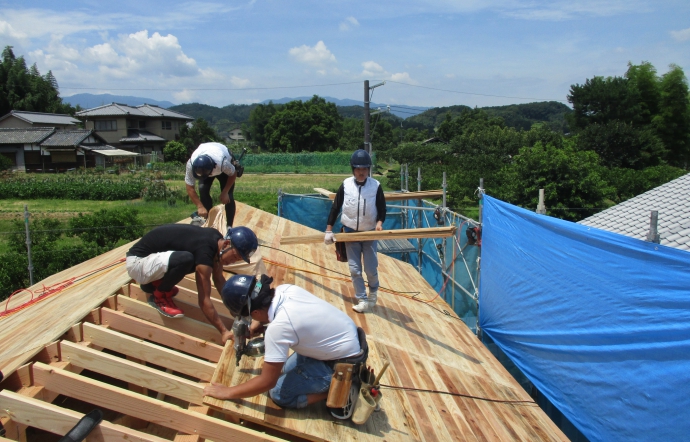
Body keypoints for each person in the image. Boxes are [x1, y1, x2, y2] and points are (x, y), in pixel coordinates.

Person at [204, 274, 365, 410]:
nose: (251, 320)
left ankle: (339, 391)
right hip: (347, 343)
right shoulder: (285, 289)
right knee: (285, 370)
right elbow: (273, 314)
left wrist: (228, 392)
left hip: (343, 365)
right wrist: (256, 326)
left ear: (256, 312)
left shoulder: (279, 328)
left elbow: (267, 382)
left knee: (279, 392)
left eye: (251, 316)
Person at [126, 225, 258, 344]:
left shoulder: (216, 242)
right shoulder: (206, 251)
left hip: (151, 263)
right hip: (138, 263)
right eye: (235, 256)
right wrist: (223, 331)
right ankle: (159, 297)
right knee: (186, 260)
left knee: (188, 260)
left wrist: (237, 310)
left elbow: (219, 281)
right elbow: (204, 300)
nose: (233, 262)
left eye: (238, 260)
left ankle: (153, 285)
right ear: (227, 244)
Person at [324, 149, 386, 313]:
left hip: (369, 233)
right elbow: (336, 207)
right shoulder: (346, 185)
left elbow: (382, 208)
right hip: (350, 232)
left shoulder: (375, 186)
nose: (361, 172)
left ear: (368, 170)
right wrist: (329, 230)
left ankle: (373, 292)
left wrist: (379, 223)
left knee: (371, 268)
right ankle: (362, 299)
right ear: (353, 169)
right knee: (354, 269)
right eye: (358, 169)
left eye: (364, 169)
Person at [185, 141, 239, 227]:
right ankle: (209, 221)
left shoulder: (222, 163)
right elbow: (189, 187)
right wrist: (200, 206)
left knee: (229, 196)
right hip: (207, 159)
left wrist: (225, 192)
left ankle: (229, 227)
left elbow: (233, 174)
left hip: (221, 163)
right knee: (203, 190)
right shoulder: (190, 164)